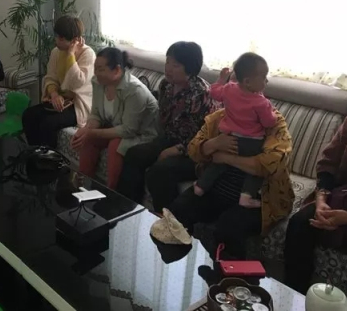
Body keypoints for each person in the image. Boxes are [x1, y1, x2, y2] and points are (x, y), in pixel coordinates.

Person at [284, 83, 347, 311]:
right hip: (342, 197)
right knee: (300, 223)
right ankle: (294, 300)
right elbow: (327, 164)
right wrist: (321, 201)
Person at [166, 108, 293, 259]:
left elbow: (272, 164)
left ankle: (228, 274)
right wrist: (215, 143)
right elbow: (193, 150)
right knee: (178, 210)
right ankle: (179, 264)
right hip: (215, 189)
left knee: (228, 228)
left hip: (259, 199)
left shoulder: (272, 122)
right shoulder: (220, 116)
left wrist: (225, 158)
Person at [116, 41, 219, 210]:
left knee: (159, 172)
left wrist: (172, 151)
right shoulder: (166, 85)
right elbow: (165, 123)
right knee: (135, 154)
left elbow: (199, 138)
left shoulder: (200, 94)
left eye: (175, 65)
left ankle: (168, 221)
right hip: (170, 139)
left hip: (197, 151)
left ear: (190, 68)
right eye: (167, 62)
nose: (168, 68)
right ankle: (126, 208)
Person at [195, 53, 276, 208]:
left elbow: (214, 92)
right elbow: (269, 122)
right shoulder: (261, 103)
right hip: (251, 143)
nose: (267, 80)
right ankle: (246, 196)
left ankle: (200, 186)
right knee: (255, 171)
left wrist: (221, 79)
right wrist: (272, 112)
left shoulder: (229, 89)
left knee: (218, 163)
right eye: (263, 77)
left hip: (228, 137)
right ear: (247, 82)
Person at [73, 48, 158, 189]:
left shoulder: (134, 91)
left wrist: (92, 132)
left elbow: (128, 130)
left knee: (116, 145)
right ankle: (82, 185)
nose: (96, 73)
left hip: (142, 134)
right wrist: (86, 129)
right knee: (87, 139)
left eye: (100, 69)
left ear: (117, 70)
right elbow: (96, 114)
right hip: (117, 127)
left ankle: (112, 192)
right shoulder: (98, 82)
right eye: (95, 68)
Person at [22, 15, 95, 148]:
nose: (56, 40)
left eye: (61, 38)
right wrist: (54, 94)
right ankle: (36, 154)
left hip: (78, 103)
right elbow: (50, 77)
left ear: (74, 40)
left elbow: (77, 82)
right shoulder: (56, 52)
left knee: (48, 123)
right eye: (56, 36)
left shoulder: (87, 54)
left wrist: (71, 55)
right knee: (29, 115)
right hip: (60, 99)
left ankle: (51, 159)